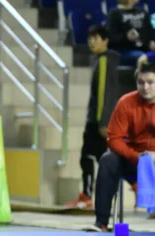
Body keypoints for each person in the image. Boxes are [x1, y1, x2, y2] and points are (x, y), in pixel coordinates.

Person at [88, 62, 155, 232]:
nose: (145, 87)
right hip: (132, 160)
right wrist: (136, 157)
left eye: (150, 82)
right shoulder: (126, 102)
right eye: (141, 82)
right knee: (108, 160)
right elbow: (114, 139)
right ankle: (101, 222)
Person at [66, 25, 120, 209]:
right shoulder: (100, 60)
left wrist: (103, 122)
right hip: (98, 120)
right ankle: (134, 183)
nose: (91, 41)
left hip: (97, 122)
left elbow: (105, 93)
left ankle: (86, 196)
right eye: (90, 38)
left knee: (87, 157)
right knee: (101, 157)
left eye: (96, 38)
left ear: (105, 40)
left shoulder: (105, 61)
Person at [106, 0, 155, 67]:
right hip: (123, 51)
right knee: (141, 56)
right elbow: (110, 38)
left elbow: (150, 31)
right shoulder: (114, 13)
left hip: (144, 49)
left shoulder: (142, 11)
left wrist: (152, 41)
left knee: (147, 55)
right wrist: (126, 37)